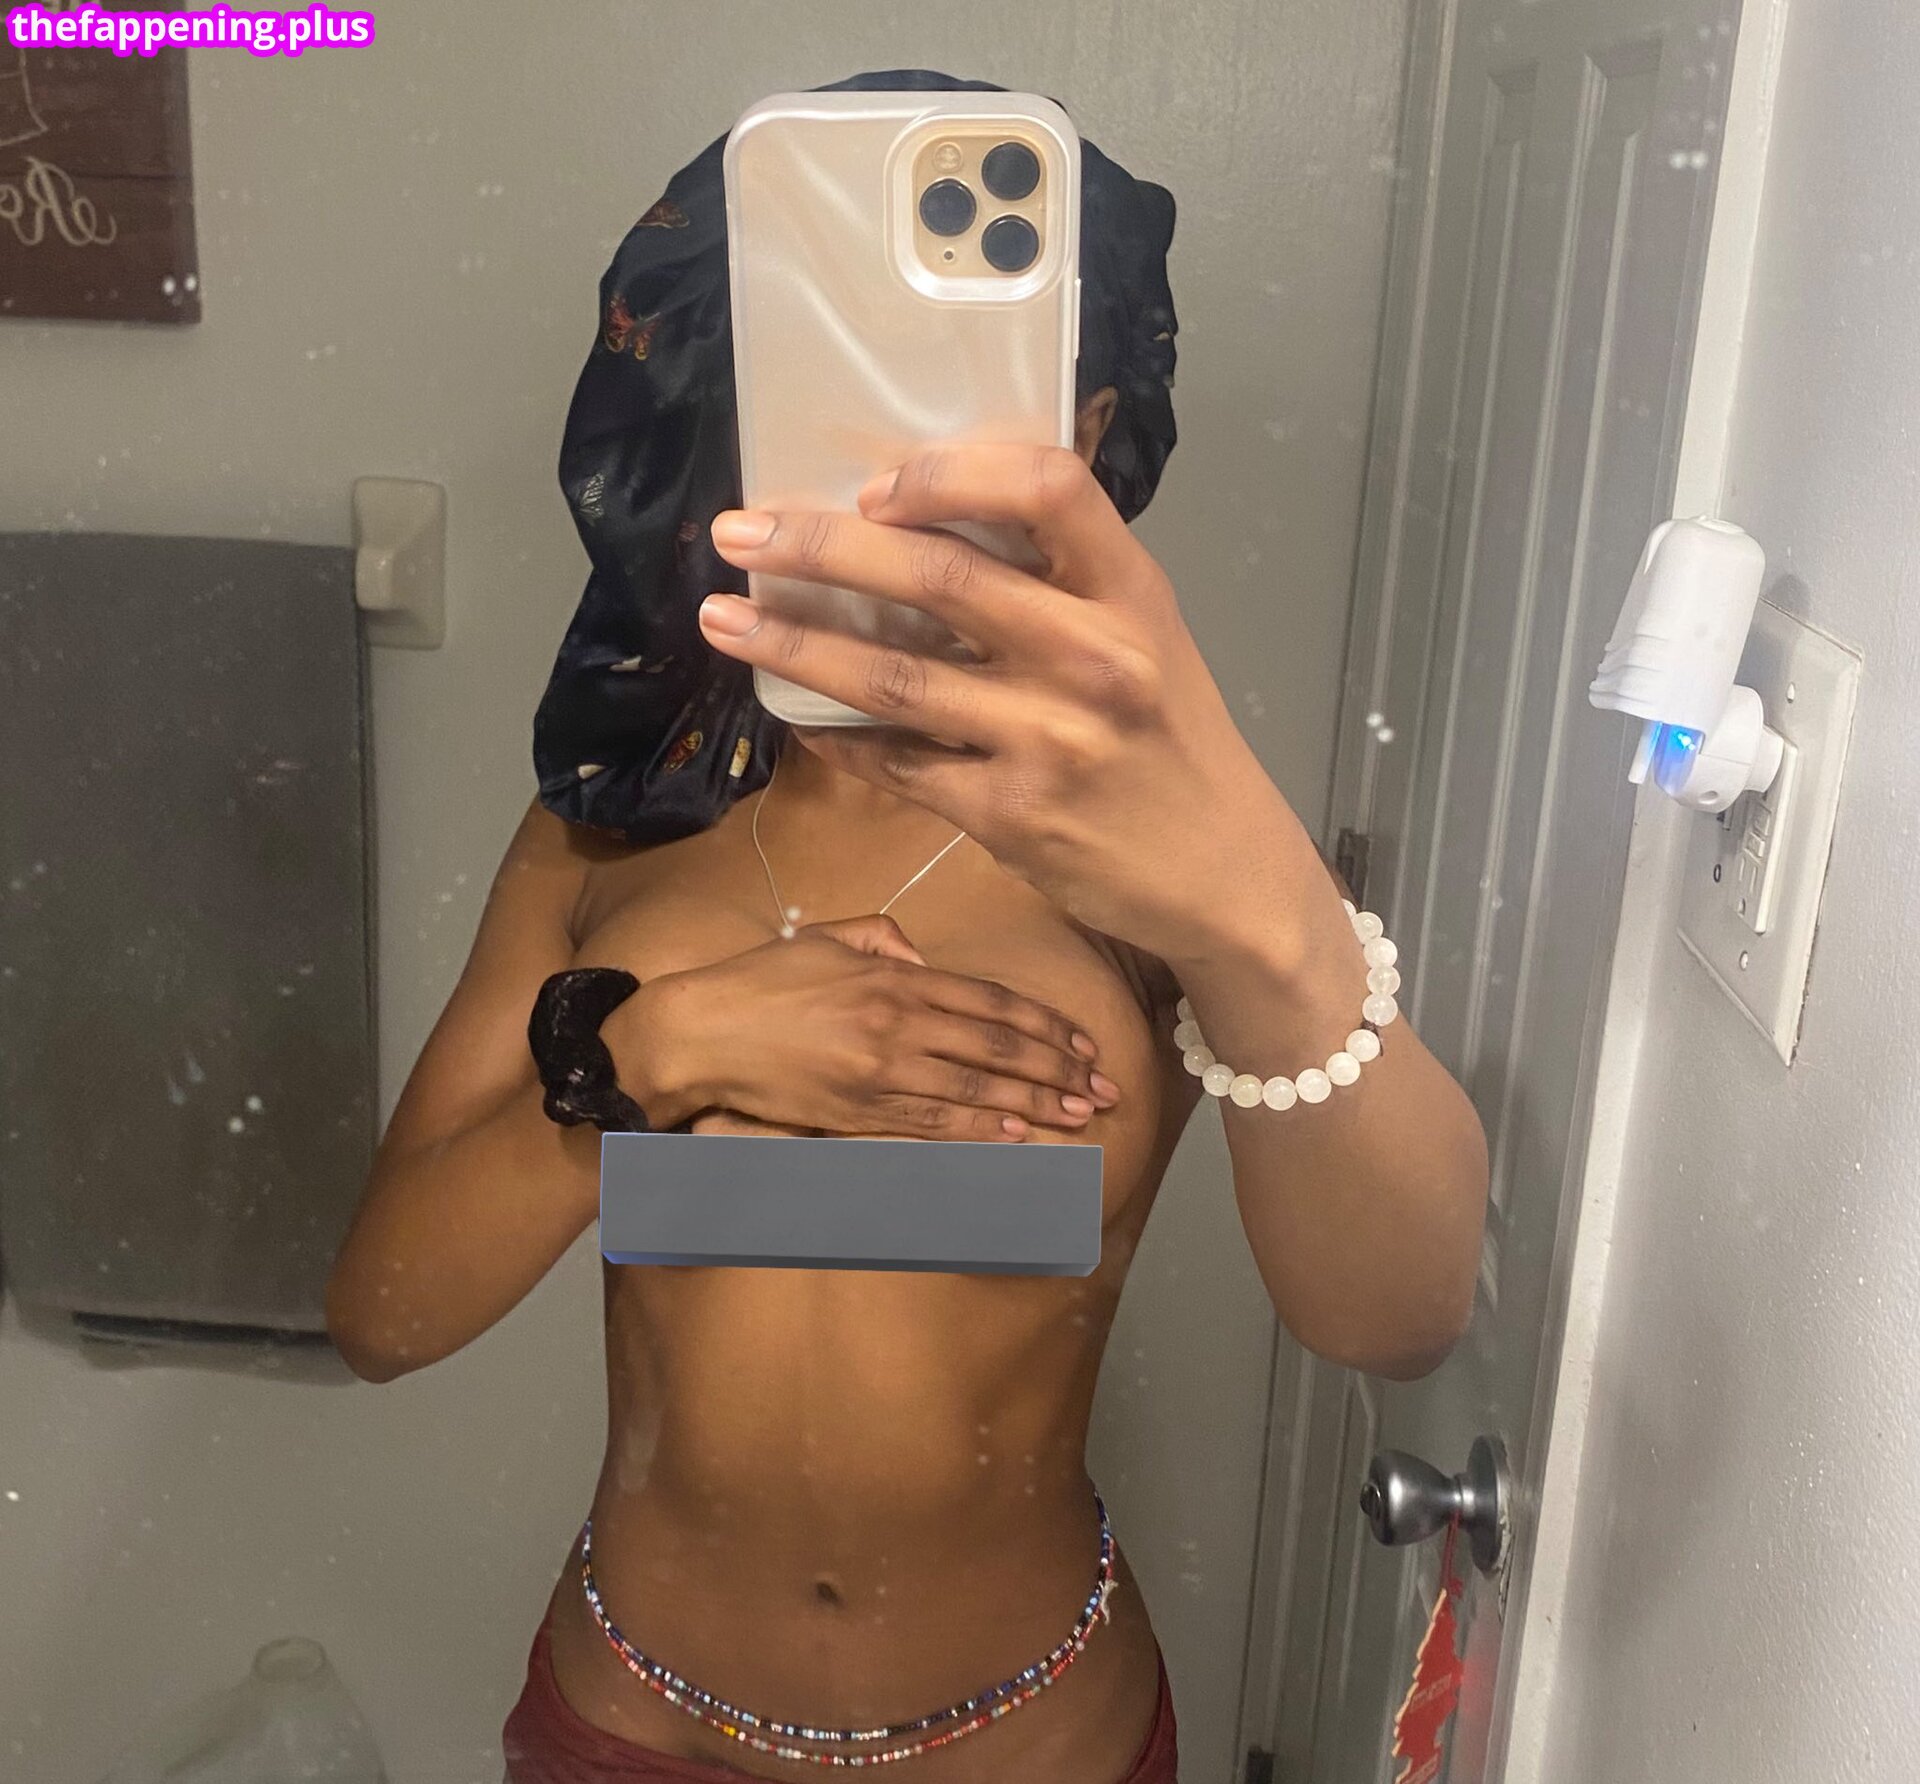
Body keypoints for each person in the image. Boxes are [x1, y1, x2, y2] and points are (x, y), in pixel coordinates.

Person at [325, 71, 1488, 1784]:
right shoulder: (613, 822)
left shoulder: (1148, 844)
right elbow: (384, 1314)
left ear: (1084, 430)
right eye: (824, 390)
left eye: (949, 397)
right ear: (727, 419)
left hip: (1032, 1746)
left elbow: (1400, 1318)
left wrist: (1263, 917)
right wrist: (662, 1052)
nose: (887, 470)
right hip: (630, 1731)